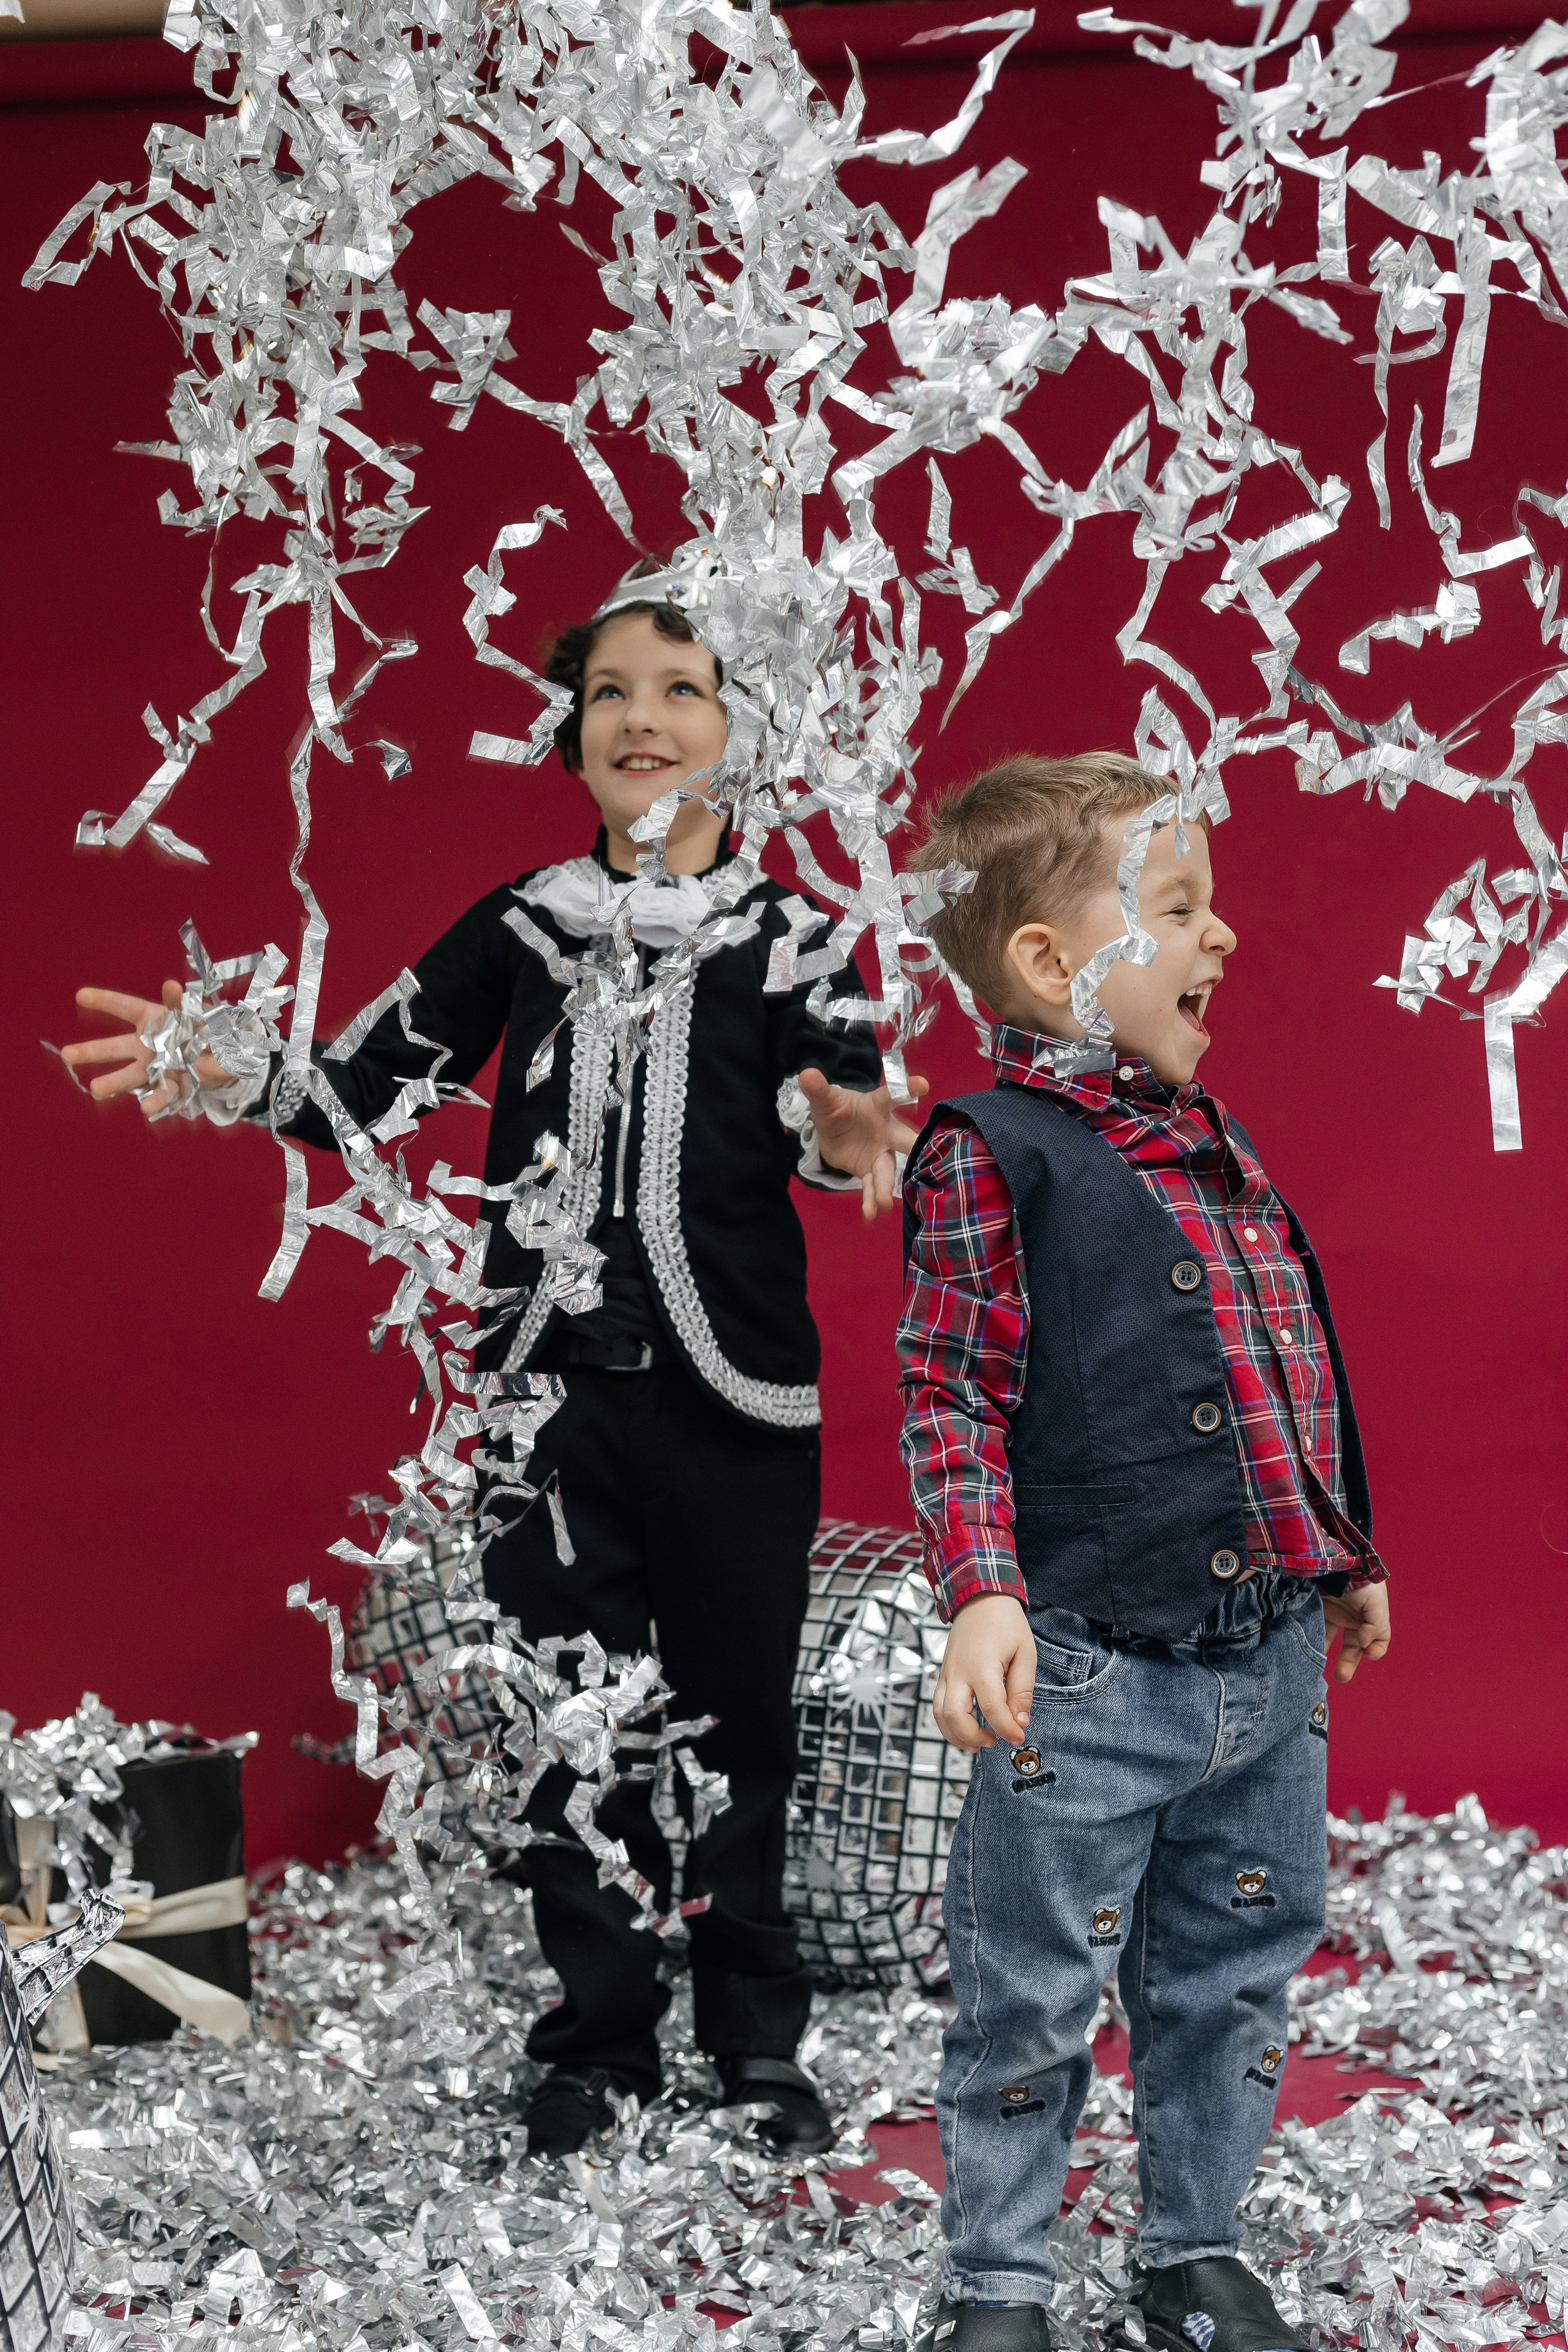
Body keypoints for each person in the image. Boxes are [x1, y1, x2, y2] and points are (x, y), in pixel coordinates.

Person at [62, 571, 924, 2159]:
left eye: (682, 689)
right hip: (548, 1407)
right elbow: (358, 1092)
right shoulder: (522, 926)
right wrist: (238, 1068)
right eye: (610, 693)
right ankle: (597, 2040)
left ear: (744, 730)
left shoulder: (793, 935)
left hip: (737, 1411)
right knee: (567, 1730)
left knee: (739, 1729)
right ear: (569, 728)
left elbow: (839, 1115)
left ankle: (754, 2041)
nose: (644, 719)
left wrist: (846, 1123)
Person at [897, 755, 1392, 2352]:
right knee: (1029, 1991)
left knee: (1235, 1969)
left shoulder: (1212, 1138)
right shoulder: (989, 1151)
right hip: (1096, 1666)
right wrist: (982, 1588)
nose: (1223, 936)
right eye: (1176, 906)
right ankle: (1001, 2285)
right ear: (1053, 964)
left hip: (1268, 1666)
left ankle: (1193, 2242)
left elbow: (1286, 1356)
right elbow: (953, 1392)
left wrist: (1345, 1546)